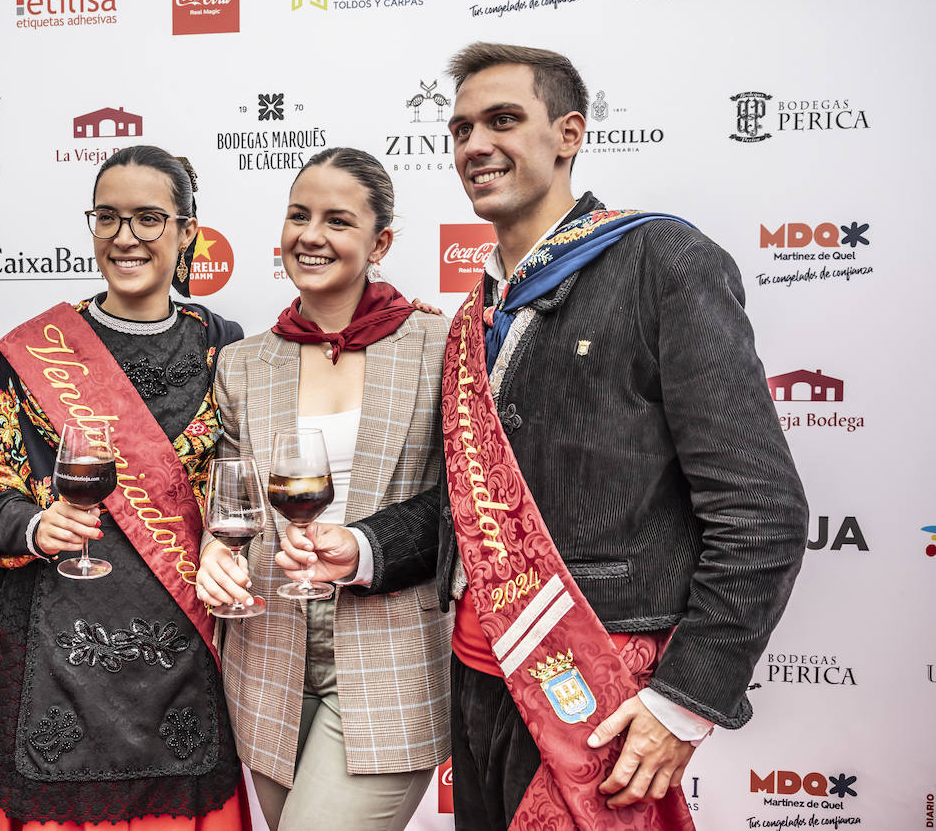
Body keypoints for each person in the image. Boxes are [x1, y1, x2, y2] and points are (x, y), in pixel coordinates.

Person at [283, 43, 808, 829]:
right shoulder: (473, 314)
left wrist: (687, 699)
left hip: (596, 686)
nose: (475, 146)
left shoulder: (660, 260)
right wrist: (361, 549)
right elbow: (470, 507)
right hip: (475, 679)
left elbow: (762, 511)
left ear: (569, 133)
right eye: (461, 129)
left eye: (503, 121)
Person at [0, 145, 249, 830]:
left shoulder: (225, 350)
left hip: (180, 643)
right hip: (54, 641)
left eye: (150, 219)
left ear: (187, 231)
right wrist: (33, 525)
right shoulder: (35, 353)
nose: (126, 238)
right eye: (108, 218)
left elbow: (244, 486)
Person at [197, 147, 451, 831]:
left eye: (338, 220)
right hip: (267, 661)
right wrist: (214, 552)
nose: (311, 235)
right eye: (298, 215)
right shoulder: (244, 361)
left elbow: (468, 501)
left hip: (389, 660)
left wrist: (365, 548)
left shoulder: (442, 344)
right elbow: (229, 501)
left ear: (380, 242)